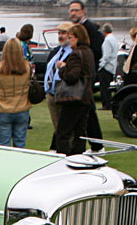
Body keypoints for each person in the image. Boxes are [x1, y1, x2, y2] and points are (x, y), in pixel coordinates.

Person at [68, 1, 104, 152]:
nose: (73, 13)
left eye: (76, 10)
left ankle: (97, 145)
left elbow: (97, 50)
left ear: (83, 11)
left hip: (86, 75)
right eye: (71, 11)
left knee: (86, 110)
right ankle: (94, 145)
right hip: (84, 73)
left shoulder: (89, 27)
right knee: (85, 110)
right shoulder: (82, 27)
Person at [54, 23, 94, 155]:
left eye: (70, 37)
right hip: (86, 96)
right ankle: (78, 158)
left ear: (77, 38)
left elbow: (72, 76)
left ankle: (63, 159)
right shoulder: (88, 52)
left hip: (74, 98)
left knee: (63, 132)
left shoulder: (76, 54)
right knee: (79, 132)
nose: (69, 40)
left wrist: (62, 68)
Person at [0, 39, 32, 148]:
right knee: (20, 144)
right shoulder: (27, 67)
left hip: (2, 108)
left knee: (3, 145)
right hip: (22, 108)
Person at [43, 22, 73, 148]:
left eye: (64, 33)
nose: (60, 36)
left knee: (66, 130)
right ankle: (58, 150)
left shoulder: (73, 53)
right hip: (51, 95)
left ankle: (68, 153)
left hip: (64, 95)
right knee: (57, 128)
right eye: (59, 33)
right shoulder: (56, 51)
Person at [98, 23, 117, 110]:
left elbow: (106, 56)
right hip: (113, 66)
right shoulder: (114, 39)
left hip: (106, 67)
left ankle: (106, 105)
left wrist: (101, 65)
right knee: (108, 87)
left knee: (104, 87)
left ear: (104, 31)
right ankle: (110, 103)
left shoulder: (107, 40)